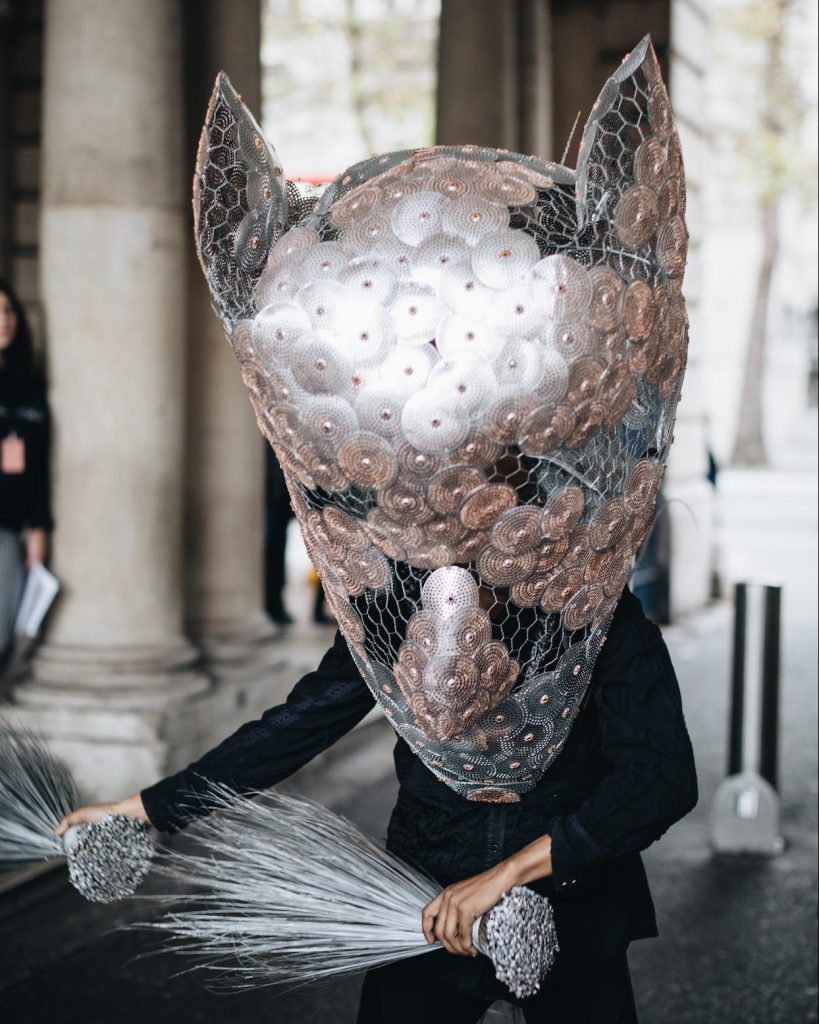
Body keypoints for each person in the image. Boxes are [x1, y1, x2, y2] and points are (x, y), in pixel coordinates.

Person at [56, 585, 696, 1024]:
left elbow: (661, 778)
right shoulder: (395, 607)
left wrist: (508, 874)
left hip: (578, 910)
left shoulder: (600, 610)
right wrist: (145, 808)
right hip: (418, 904)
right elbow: (296, 726)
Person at [0, 280, 53, 676]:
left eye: (8, 311)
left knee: (7, 636)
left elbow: (41, 464)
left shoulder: (29, 383)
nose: (4, 320)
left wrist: (39, 525)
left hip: (12, 531)